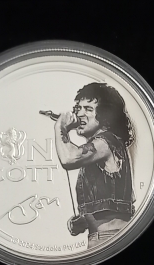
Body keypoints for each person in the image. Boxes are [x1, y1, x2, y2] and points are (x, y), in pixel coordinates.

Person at [54, 82, 135, 249]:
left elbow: (68, 158)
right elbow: (112, 207)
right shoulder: (102, 147)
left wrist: (60, 127)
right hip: (104, 237)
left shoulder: (106, 141)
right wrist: (85, 220)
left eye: (88, 109)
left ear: (105, 115)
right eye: (78, 108)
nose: (79, 114)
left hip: (109, 237)